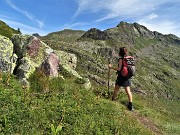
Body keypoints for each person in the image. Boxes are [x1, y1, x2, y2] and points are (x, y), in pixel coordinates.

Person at [108, 47, 134, 111]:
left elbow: (119, 69)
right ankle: (130, 105)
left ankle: (112, 100)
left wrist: (111, 67)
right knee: (128, 91)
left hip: (121, 77)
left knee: (116, 89)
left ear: (120, 52)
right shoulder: (129, 58)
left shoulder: (121, 59)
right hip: (127, 77)